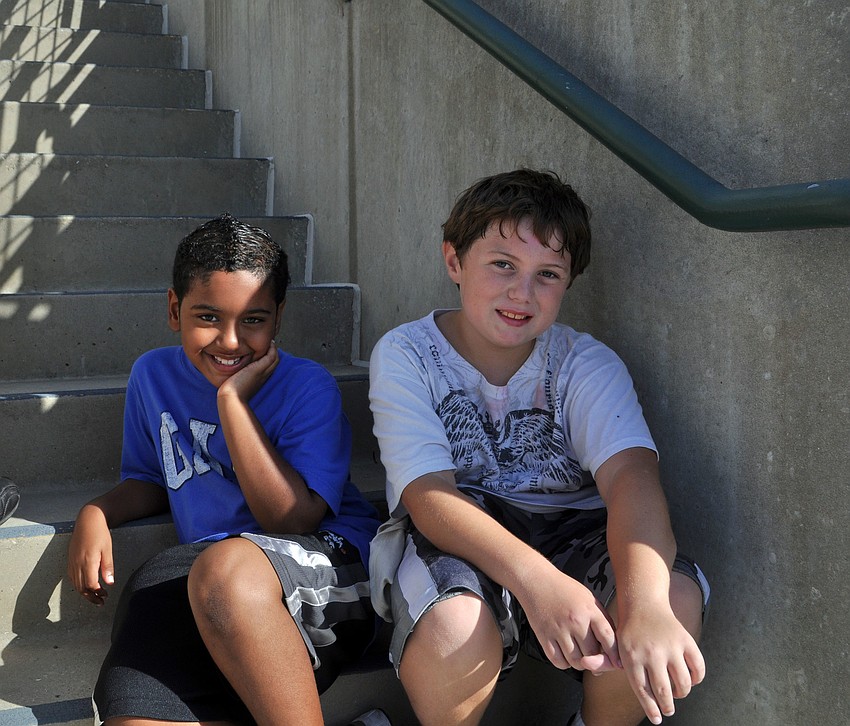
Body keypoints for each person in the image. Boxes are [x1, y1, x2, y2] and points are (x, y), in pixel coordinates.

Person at [367, 169, 710, 726]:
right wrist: (537, 581)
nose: (521, 293)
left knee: (669, 598)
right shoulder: (408, 353)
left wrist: (644, 607)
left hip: (571, 533)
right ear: (454, 261)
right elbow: (428, 497)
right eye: (502, 264)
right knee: (454, 623)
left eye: (547, 274)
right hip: (457, 534)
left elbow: (632, 482)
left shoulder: (584, 363)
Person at [67, 213, 384, 726]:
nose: (231, 342)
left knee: (223, 573)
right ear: (175, 309)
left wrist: (232, 404)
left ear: (278, 316)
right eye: (209, 317)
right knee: (143, 668)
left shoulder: (309, 387)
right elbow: (152, 477)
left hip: (327, 564)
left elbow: (291, 519)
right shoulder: (152, 375)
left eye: (253, 320)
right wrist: (97, 512)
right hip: (207, 576)